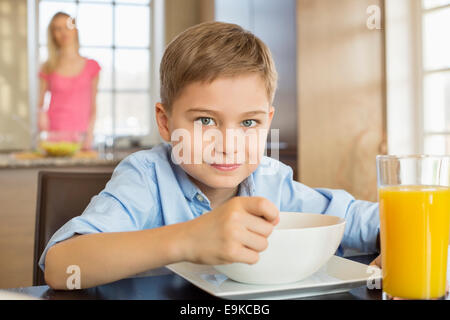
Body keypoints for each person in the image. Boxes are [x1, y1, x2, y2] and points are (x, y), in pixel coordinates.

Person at [40, 22, 381, 290]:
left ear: (268, 122)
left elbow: (368, 219)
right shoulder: (145, 177)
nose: (228, 144)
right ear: (165, 121)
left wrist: (405, 245)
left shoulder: (273, 181)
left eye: (249, 122)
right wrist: (189, 238)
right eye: (205, 120)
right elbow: (62, 267)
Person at [38, 12, 101, 150]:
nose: (63, 32)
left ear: (75, 30)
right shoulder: (47, 67)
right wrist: (42, 119)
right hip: (53, 137)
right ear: (52, 34)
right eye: (57, 29)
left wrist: (89, 135)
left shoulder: (92, 66)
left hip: (81, 139)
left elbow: (93, 106)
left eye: (67, 26)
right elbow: (40, 104)